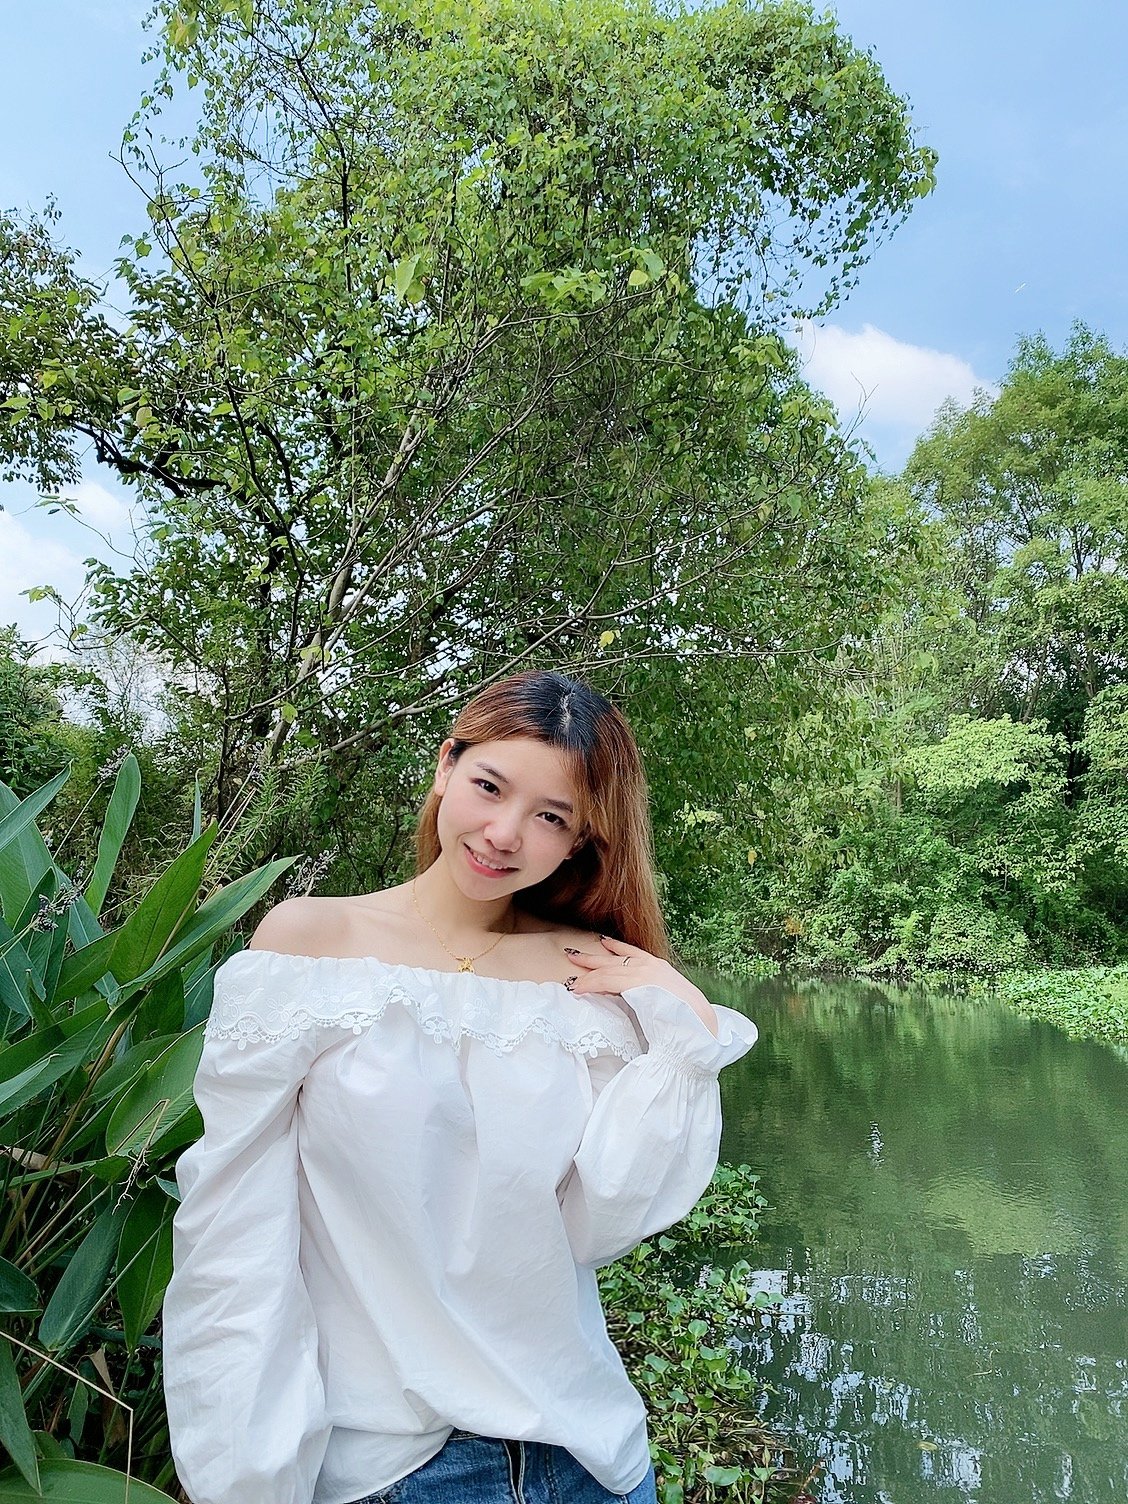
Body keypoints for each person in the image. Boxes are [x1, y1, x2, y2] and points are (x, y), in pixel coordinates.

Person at [162, 669, 758, 1504]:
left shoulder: (587, 973)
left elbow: (598, 1226)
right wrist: (246, 1479)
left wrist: (682, 1026)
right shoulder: (310, 944)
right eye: (489, 786)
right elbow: (234, 1232)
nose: (504, 833)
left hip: (590, 1459)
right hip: (393, 1468)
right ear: (446, 765)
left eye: (551, 817)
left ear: (579, 842)